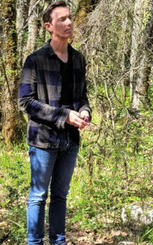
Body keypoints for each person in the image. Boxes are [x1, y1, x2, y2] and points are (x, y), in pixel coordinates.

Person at [18, 1, 91, 244]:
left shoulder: (79, 60)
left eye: (70, 18)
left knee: (61, 196)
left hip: (70, 141)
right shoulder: (35, 60)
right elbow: (26, 102)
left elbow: (82, 98)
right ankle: (34, 242)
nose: (69, 22)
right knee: (39, 196)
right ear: (49, 26)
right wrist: (64, 116)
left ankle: (58, 241)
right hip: (43, 141)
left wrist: (84, 112)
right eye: (62, 19)